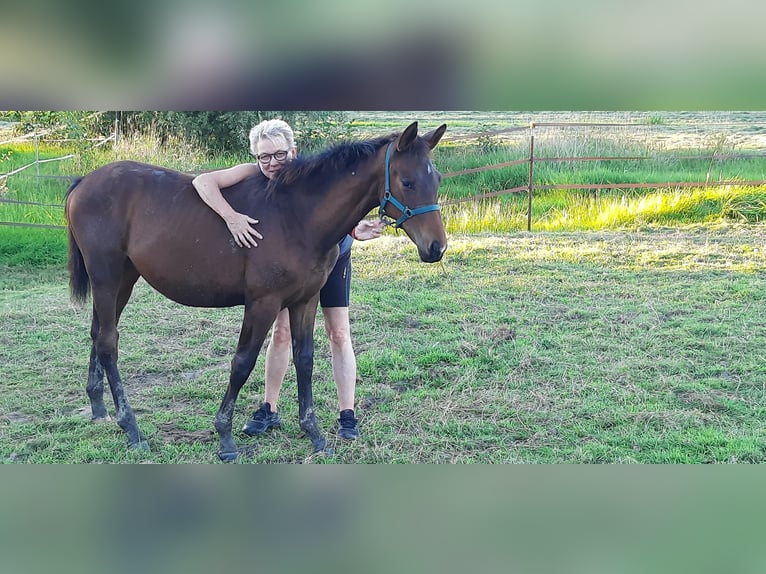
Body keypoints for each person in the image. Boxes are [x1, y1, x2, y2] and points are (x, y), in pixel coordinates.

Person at [192, 119, 383, 440]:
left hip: (334, 256)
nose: (271, 164)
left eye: (279, 155)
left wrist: (354, 230)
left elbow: (337, 215)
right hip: (293, 264)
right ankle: (270, 407)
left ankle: (347, 413)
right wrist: (232, 218)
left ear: (293, 151)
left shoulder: (315, 175)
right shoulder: (256, 172)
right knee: (281, 332)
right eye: (263, 156)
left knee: (338, 333)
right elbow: (202, 181)